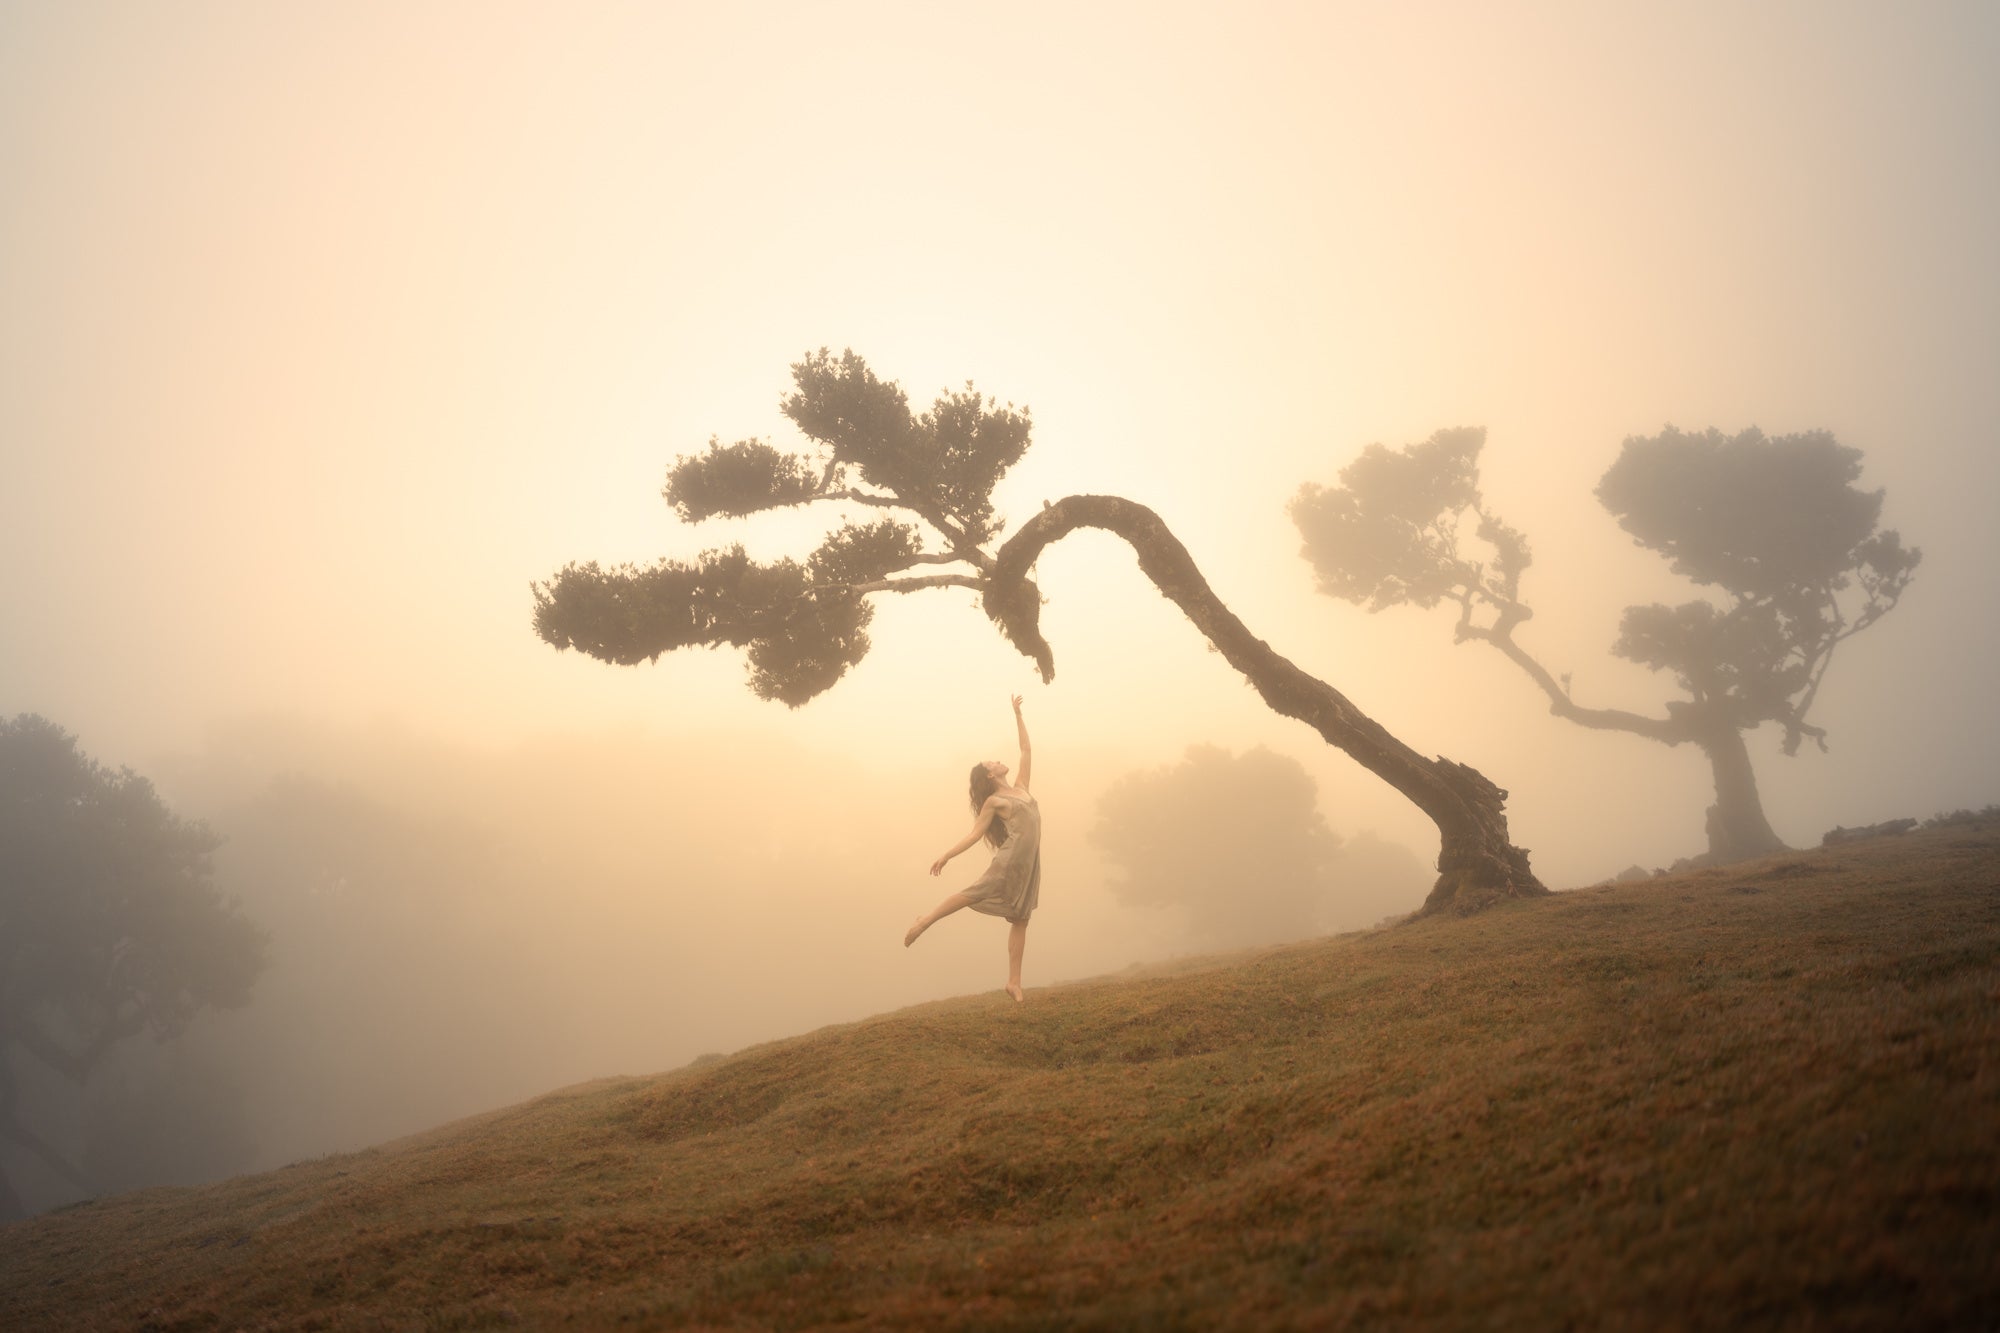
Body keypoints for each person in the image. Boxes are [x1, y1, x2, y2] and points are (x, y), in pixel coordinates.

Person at [905, 694, 1041, 1002]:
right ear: (990, 776)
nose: (996, 759)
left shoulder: (1021, 787)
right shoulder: (995, 802)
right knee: (972, 893)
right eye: (991, 762)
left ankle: (1014, 982)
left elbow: (1026, 749)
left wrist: (1017, 714)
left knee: (1021, 919)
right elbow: (973, 835)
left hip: (1030, 865)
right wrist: (947, 855)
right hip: (1009, 862)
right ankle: (924, 921)